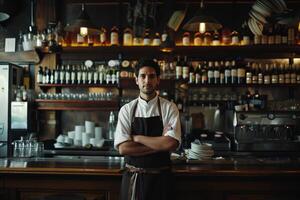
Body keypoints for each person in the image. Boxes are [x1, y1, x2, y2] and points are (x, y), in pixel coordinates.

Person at [114, 59, 181, 200]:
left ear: (158, 80)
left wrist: (137, 138)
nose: (147, 80)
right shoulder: (127, 110)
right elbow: (123, 148)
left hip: (162, 179)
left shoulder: (169, 107)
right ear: (136, 80)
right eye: (143, 76)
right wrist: (160, 144)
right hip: (134, 179)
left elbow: (171, 144)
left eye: (151, 76)